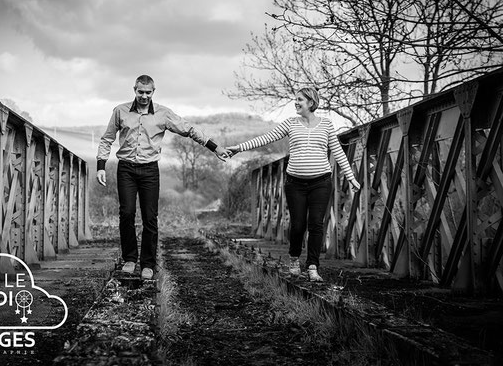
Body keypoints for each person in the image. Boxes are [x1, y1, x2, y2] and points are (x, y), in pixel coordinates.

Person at [96, 75, 231, 280]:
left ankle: (148, 264)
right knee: (127, 213)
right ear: (134, 90)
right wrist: (100, 166)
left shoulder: (163, 113)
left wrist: (215, 148)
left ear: (153, 92)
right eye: (140, 92)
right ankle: (130, 259)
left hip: (150, 170)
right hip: (126, 169)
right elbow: (107, 139)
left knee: (150, 217)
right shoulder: (120, 111)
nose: (143, 96)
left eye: (147, 92)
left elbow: (190, 129)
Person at [227, 87, 360, 282]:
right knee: (298, 225)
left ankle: (313, 267)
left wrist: (351, 177)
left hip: (321, 182)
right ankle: (294, 258)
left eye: (300, 100)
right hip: (295, 184)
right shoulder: (290, 124)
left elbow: (338, 152)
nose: (296, 103)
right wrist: (239, 148)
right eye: (295, 100)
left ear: (311, 103)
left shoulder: (326, 125)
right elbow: (266, 138)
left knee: (316, 224)